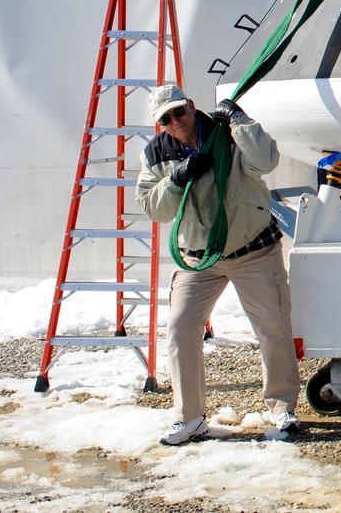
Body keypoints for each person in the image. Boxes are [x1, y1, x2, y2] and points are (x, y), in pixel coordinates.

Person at [136, 83, 300, 445]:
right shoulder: (157, 154)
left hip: (252, 249)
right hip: (199, 259)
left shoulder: (226, 133)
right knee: (180, 329)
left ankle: (282, 410)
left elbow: (266, 160)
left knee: (273, 325)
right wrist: (176, 179)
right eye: (166, 118)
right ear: (159, 124)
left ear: (191, 106)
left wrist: (240, 120)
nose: (176, 121)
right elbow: (153, 207)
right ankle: (189, 418)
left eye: (179, 111)